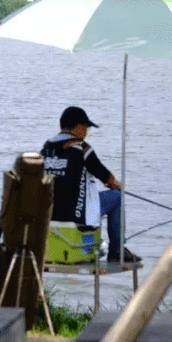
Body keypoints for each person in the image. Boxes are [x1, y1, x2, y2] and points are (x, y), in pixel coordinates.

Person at [40, 106, 140, 263]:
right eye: (86, 128)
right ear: (79, 127)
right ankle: (116, 250)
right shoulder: (81, 148)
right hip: (76, 216)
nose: (86, 132)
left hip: (49, 216)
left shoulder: (46, 148)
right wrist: (117, 185)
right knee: (117, 197)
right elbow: (106, 177)